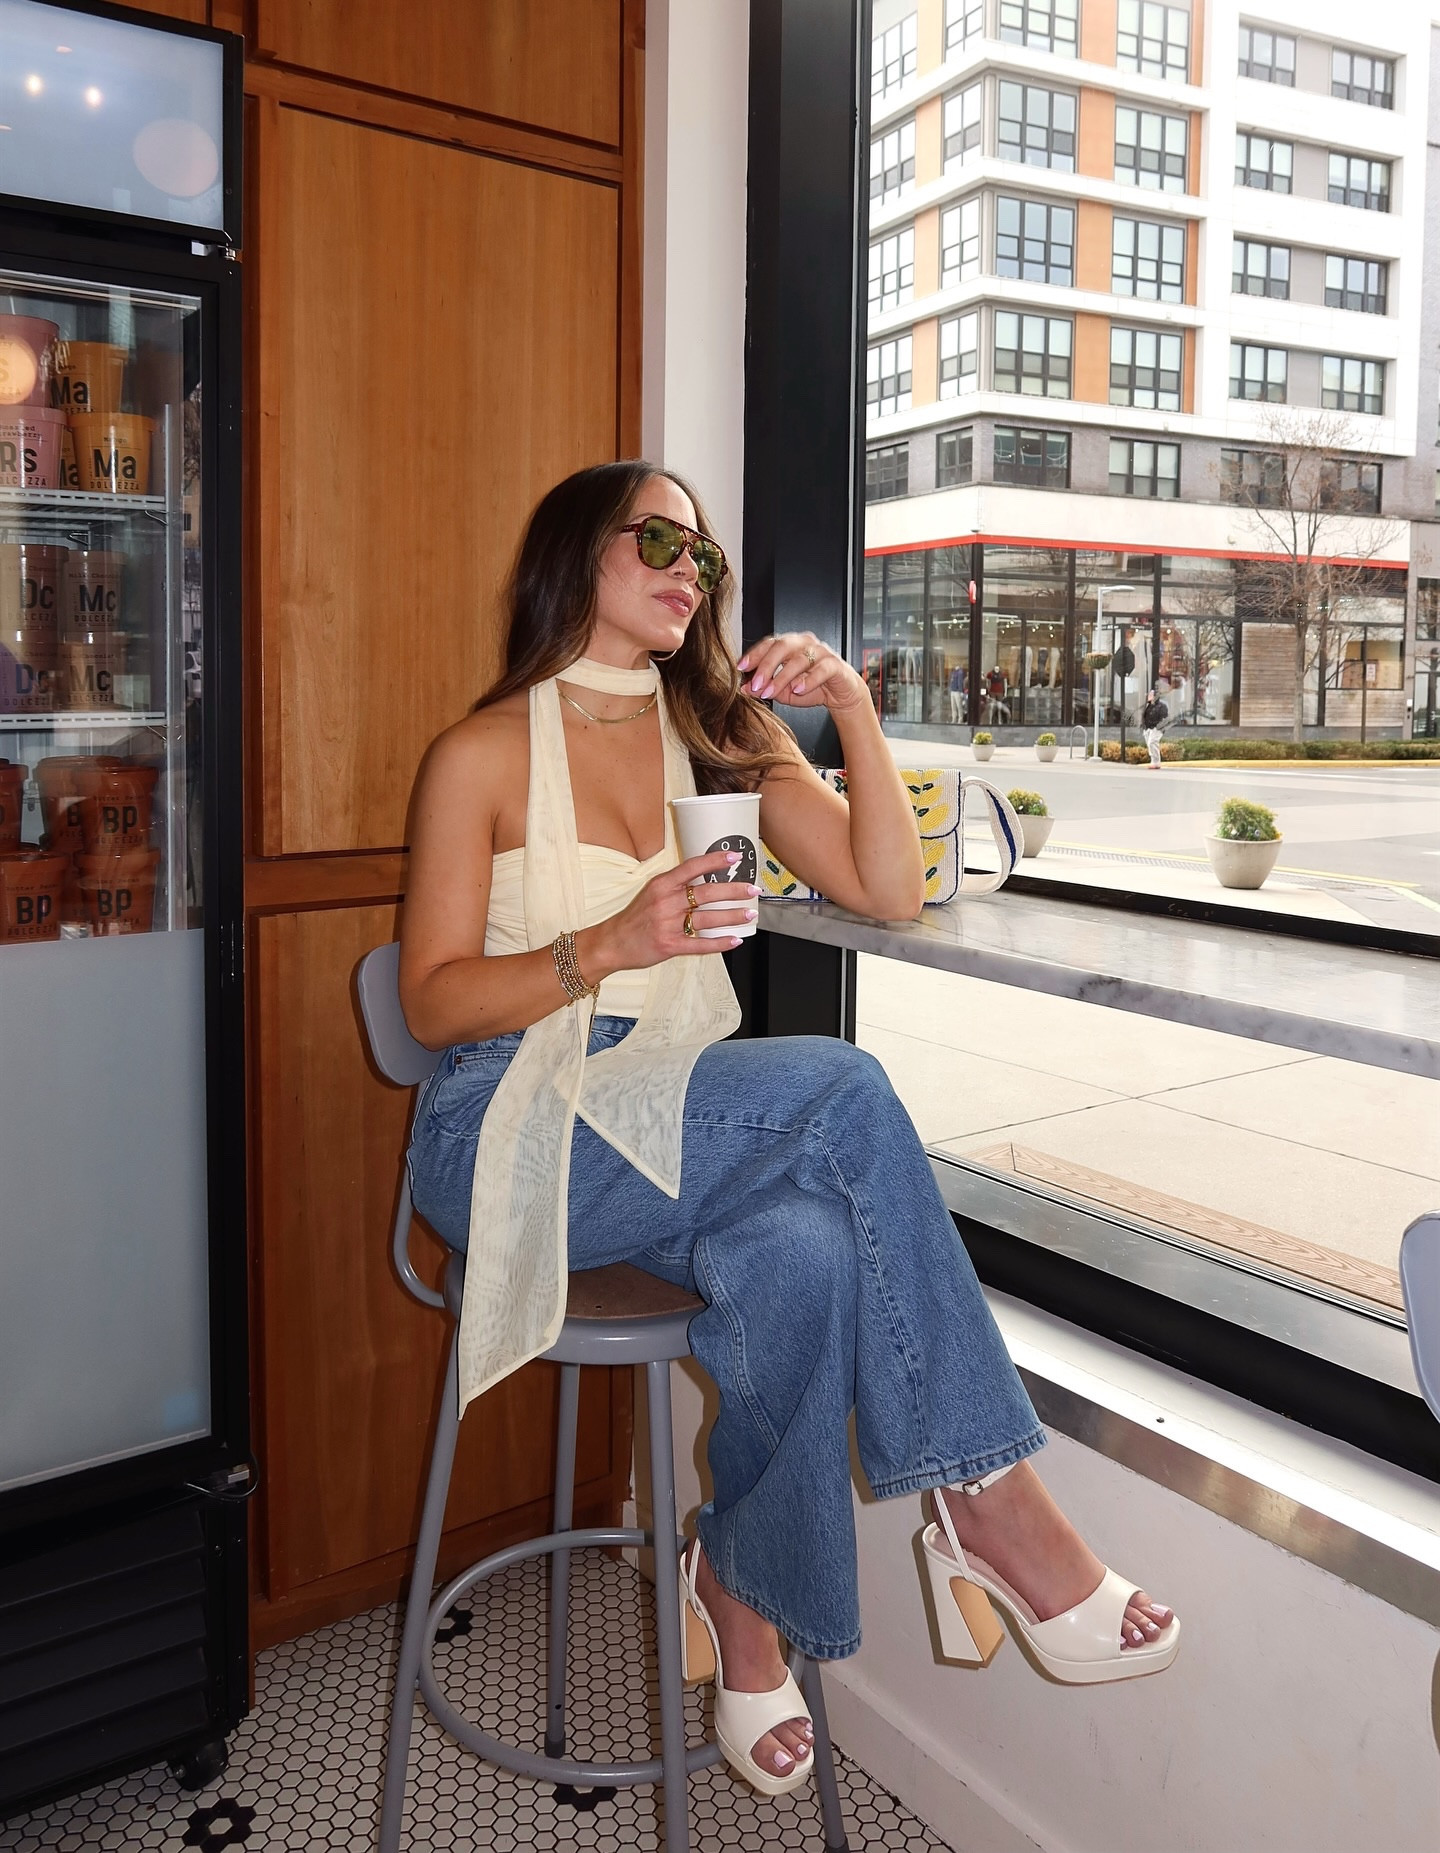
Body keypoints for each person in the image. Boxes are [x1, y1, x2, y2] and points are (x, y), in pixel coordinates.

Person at [399, 462, 1179, 1801]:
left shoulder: (718, 736)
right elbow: (429, 1002)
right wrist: (609, 943)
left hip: (681, 1116)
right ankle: (986, 1494)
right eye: (656, 539)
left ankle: (739, 1585)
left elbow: (888, 889)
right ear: (571, 552)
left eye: (702, 554)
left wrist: (854, 712)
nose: (689, 569)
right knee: (846, 1088)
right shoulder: (478, 753)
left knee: (811, 1247)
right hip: (512, 1118)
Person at [1141, 686, 1169, 768]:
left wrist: (1158, 727)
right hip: (1147, 728)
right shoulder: (1148, 705)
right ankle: (1153, 761)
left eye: (1151, 695)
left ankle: (1156, 761)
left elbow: (1165, 718)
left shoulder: (1162, 706)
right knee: (1149, 744)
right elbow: (1144, 716)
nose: (1149, 696)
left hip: (1156, 728)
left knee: (1152, 742)